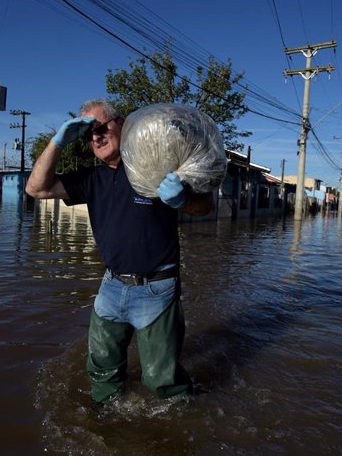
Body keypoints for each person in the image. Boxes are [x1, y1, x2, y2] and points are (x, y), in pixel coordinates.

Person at [25, 98, 214, 404]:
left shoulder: (154, 166)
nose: (95, 138)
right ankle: (104, 425)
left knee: (161, 384)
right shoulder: (92, 179)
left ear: (123, 124)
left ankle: (180, 428)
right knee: (102, 374)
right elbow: (36, 188)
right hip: (111, 287)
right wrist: (58, 141)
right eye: (86, 135)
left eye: (100, 128)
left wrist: (183, 200)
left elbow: (205, 206)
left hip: (157, 289)